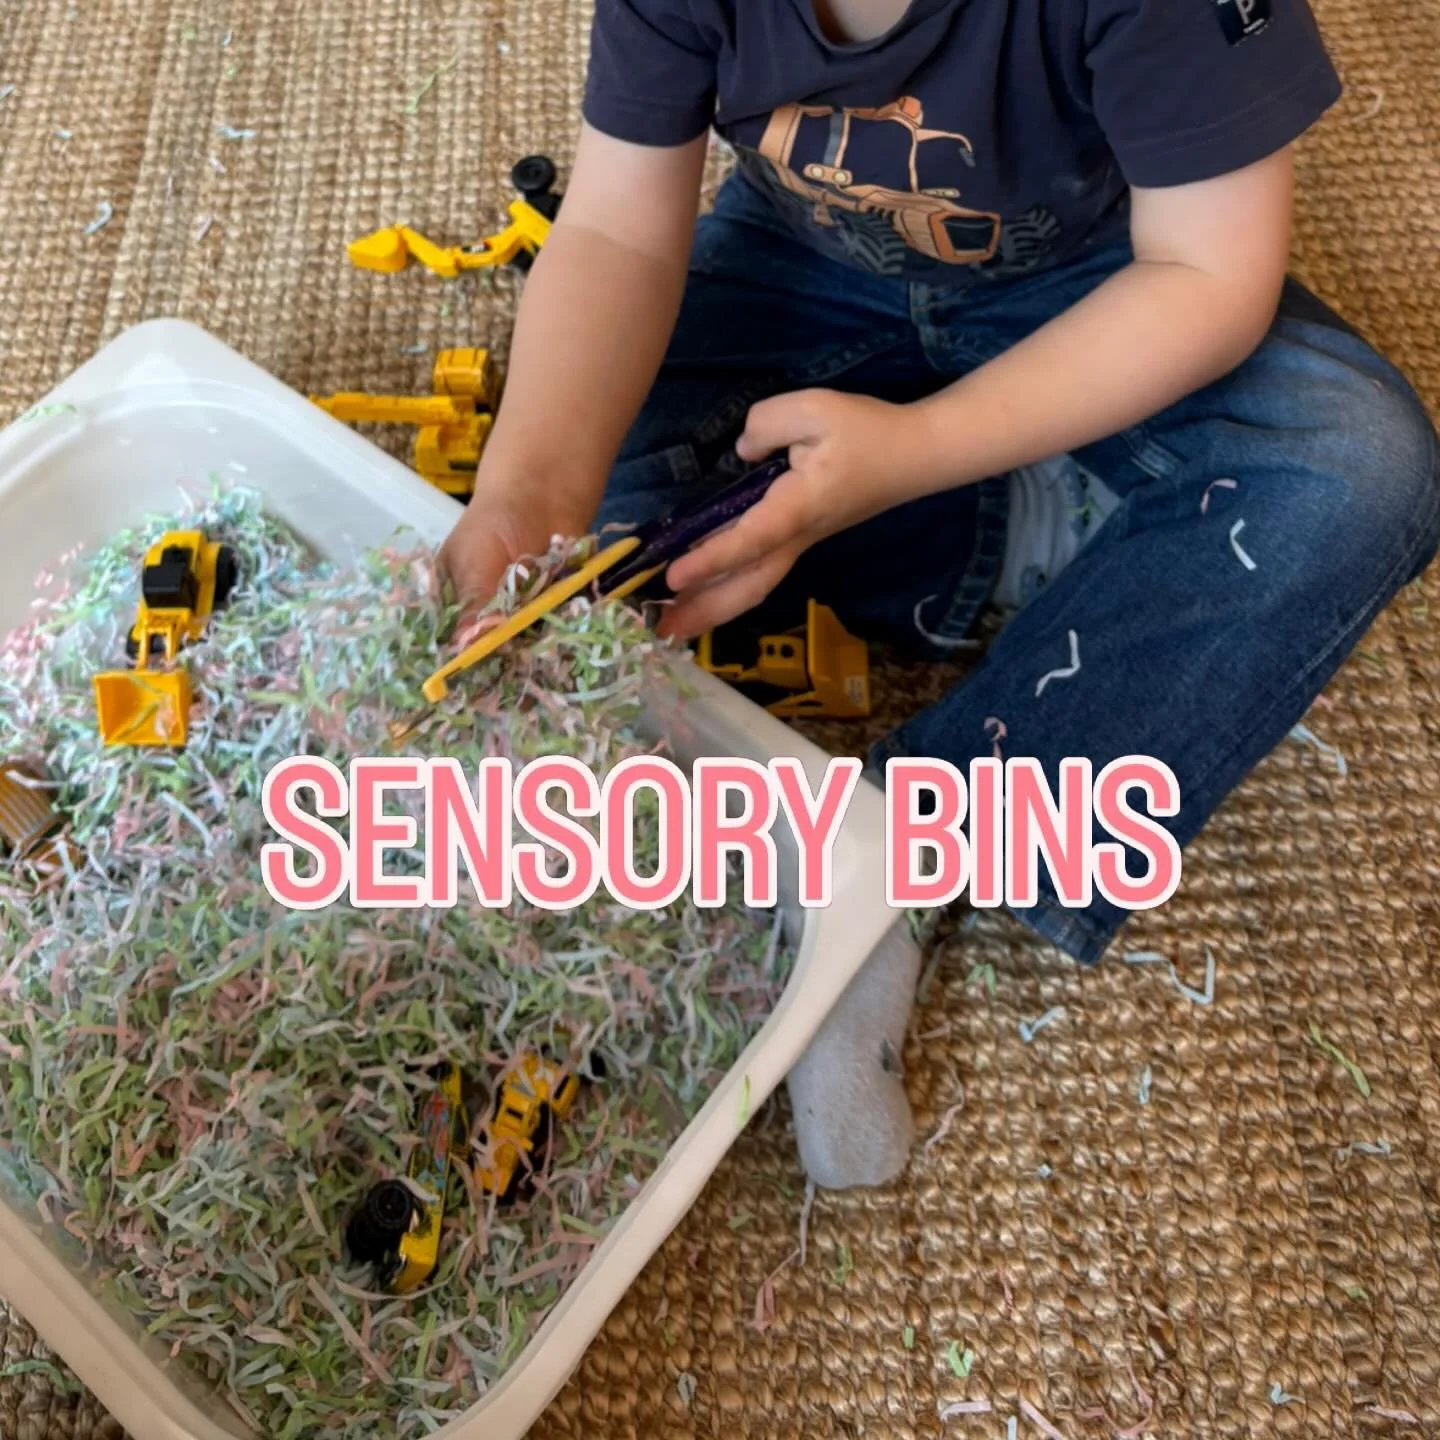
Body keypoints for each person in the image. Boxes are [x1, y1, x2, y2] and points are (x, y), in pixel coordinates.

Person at [439, 0, 1440, 1189]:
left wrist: (913, 452)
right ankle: (1035, 528)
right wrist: (533, 493)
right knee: (611, 502)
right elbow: (615, 232)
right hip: (800, 272)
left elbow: (1209, 275)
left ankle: (904, 841)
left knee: (1356, 473)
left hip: (1105, 281)